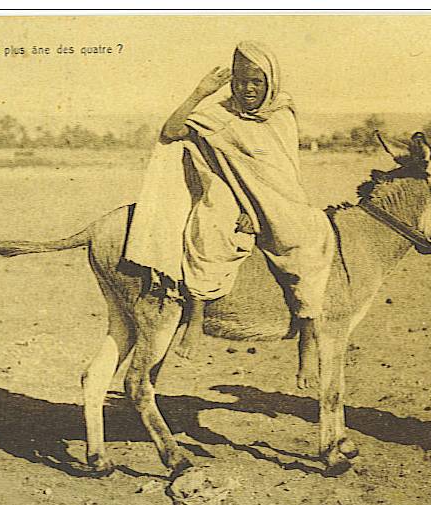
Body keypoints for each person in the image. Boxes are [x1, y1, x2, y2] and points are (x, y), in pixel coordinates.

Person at [125, 41, 334, 386]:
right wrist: (199, 93)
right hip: (230, 193)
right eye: (240, 81)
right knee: (211, 223)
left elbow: (281, 174)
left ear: (271, 83)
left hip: (279, 202)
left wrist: (262, 212)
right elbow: (171, 131)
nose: (247, 89)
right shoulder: (218, 113)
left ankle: (307, 342)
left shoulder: (281, 115)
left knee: (309, 244)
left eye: (256, 82)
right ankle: (195, 317)